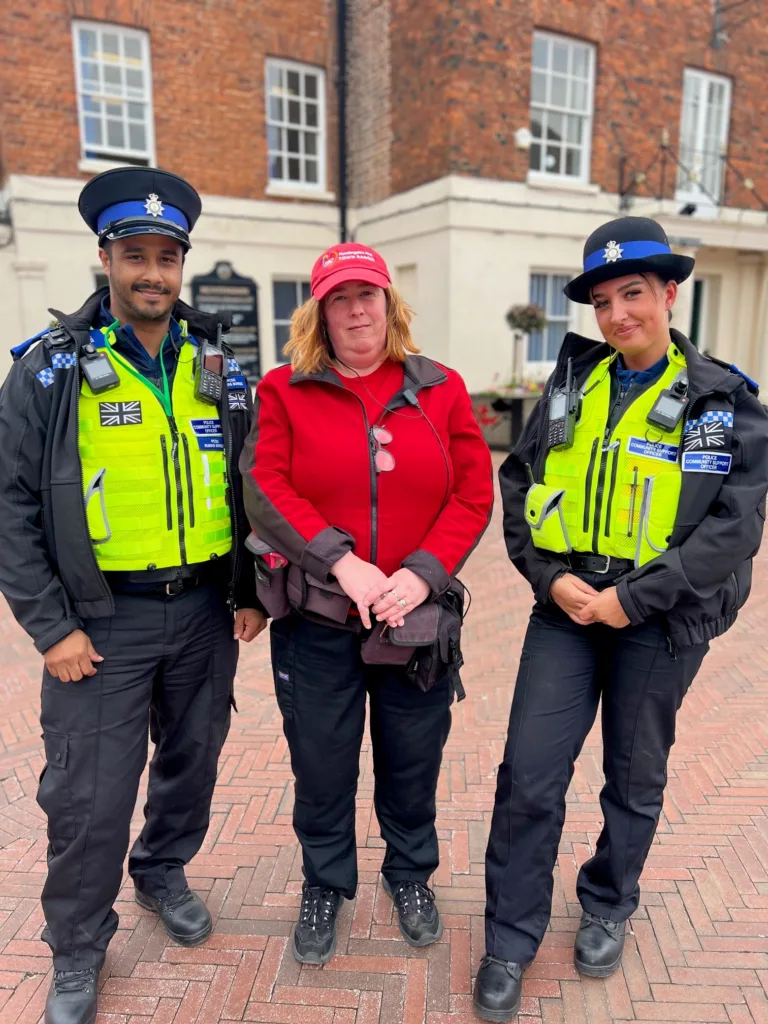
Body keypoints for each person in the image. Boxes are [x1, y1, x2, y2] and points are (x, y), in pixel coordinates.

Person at [473, 216, 768, 1022]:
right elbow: (518, 488)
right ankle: (509, 936)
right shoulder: (569, 386)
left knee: (633, 780)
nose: (616, 316)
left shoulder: (723, 402)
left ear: (670, 294)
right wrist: (549, 578)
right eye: (602, 301)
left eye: (632, 294)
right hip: (567, 610)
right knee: (530, 776)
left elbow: (734, 530)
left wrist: (630, 599)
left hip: (656, 620)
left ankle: (609, 901)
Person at [0, 167, 266, 1024]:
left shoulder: (215, 363)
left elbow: (250, 485)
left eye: (166, 257)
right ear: (106, 258)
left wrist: (251, 588)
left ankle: (161, 871)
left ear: (181, 265)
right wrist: (51, 628)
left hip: (202, 614)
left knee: (192, 762)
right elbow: (11, 504)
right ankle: (77, 948)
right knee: (88, 795)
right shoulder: (51, 370)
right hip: (99, 623)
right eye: (135, 255)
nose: (152, 273)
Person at [241, 242, 493, 965]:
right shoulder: (285, 390)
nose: (357, 310)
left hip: (414, 623)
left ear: (390, 304)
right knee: (320, 763)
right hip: (319, 618)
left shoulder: (439, 387)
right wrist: (340, 561)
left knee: (413, 758)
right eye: (341, 298)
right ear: (320, 312)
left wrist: (425, 572)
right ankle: (326, 881)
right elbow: (264, 487)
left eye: (369, 295)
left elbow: (473, 492)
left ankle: (410, 874)